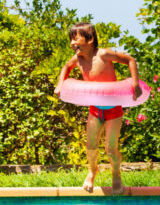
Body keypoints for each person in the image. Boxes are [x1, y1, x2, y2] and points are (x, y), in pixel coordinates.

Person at [54, 22, 141, 194]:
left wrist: (135, 83)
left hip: (113, 110)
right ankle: (93, 171)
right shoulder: (78, 60)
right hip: (95, 109)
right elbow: (66, 67)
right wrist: (60, 84)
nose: (72, 43)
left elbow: (130, 60)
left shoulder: (104, 55)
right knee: (91, 146)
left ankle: (116, 173)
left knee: (111, 148)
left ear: (90, 39)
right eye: (71, 39)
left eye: (76, 38)